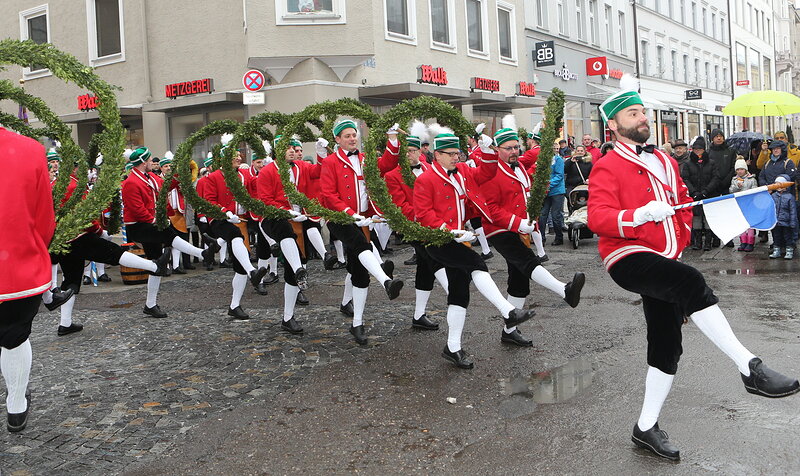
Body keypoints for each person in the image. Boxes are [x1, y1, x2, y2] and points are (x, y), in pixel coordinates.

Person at [589, 76, 799, 461]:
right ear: (614, 125)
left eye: (642, 111)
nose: (641, 118)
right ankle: (750, 368)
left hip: (665, 255)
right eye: (632, 113)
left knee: (667, 344)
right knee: (691, 282)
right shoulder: (607, 165)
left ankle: (645, 427)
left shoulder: (666, 160)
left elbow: (683, 201)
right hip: (627, 255)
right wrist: (636, 215)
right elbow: (597, 217)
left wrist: (688, 226)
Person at [413, 123, 535, 369]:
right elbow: (423, 214)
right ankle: (508, 310)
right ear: (437, 155)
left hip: (459, 238)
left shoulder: (463, 172)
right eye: (451, 154)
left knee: (459, 294)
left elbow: (487, 173)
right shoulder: (425, 179)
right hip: (437, 239)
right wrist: (451, 231)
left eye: (458, 153)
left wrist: (487, 150)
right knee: (477, 264)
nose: (456, 157)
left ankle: (452, 347)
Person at [480, 115, 586, 347]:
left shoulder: (521, 169)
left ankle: (510, 330)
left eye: (516, 147)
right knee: (528, 261)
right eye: (508, 148)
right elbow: (492, 209)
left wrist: (532, 220)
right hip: (499, 230)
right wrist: (517, 223)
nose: (514, 151)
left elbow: (527, 195)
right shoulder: (489, 172)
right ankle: (564, 290)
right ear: (497, 149)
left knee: (519, 281)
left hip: (521, 228)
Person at [319, 118, 405, 345]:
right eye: (347, 136)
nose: (352, 138)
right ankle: (386, 281)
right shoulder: (330, 162)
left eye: (354, 134)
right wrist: (348, 212)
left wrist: (393, 139)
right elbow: (328, 194)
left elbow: (388, 163)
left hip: (364, 219)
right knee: (361, 246)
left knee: (359, 273)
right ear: (337, 140)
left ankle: (357, 323)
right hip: (339, 217)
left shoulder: (366, 159)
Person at [122, 146, 220, 318]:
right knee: (168, 233)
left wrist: (182, 170)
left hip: (149, 223)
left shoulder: (151, 177)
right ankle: (203, 253)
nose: (153, 162)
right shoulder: (131, 182)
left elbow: (169, 185)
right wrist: (156, 219)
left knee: (157, 264)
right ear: (144, 162)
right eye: (150, 160)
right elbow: (136, 209)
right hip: (138, 226)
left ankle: (150, 304)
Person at [0, 127, 55, 432]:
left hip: (15, 264)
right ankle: (16, 406)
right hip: (17, 268)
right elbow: (44, 217)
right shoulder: (30, 149)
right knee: (14, 336)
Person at [383, 120, 448, 331]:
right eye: (406, 151)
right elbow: (400, 205)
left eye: (413, 150)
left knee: (425, 269)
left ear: (420, 151)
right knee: (434, 259)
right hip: (413, 228)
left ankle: (419, 315)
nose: (410, 154)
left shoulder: (430, 169)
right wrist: (425, 218)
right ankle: (454, 292)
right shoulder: (393, 176)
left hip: (434, 225)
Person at [200, 135, 269, 320]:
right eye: (235, 155)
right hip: (220, 220)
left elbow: (257, 185)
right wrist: (225, 212)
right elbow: (209, 201)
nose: (239, 158)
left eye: (239, 155)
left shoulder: (245, 174)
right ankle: (252, 272)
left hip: (242, 219)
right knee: (235, 236)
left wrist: (267, 168)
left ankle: (235, 305)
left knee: (238, 264)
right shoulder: (213, 177)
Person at [680, 137, 719, 251]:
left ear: (704, 150)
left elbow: (715, 178)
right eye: (695, 149)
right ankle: (697, 242)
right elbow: (685, 179)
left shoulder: (711, 163)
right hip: (695, 195)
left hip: (709, 195)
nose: (697, 151)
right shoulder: (688, 163)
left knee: (707, 219)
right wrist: (694, 192)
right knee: (696, 219)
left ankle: (708, 242)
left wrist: (706, 191)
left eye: (700, 149)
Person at [707, 129, 738, 247]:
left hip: (727, 185)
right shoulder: (708, 152)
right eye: (716, 136)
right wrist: (715, 182)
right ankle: (715, 239)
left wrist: (726, 180)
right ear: (712, 139)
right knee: (715, 213)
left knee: (727, 213)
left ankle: (728, 238)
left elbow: (732, 167)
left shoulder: (730, 151)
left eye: (721, 136)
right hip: (713, 186)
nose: (719, 138)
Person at [538, 142, 566, 246]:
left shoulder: (558, 160)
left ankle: (559, 237)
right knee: (542, 214)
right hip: (546, 191)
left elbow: (559, 175)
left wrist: (548, 185)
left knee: (555, 215)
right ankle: (541, 238)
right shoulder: (542, 160)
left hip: (557, 191)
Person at [729, 157, 758, 252]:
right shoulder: (734, 180)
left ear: (745, 169)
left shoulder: (751, 179)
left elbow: (755, 191)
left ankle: (750, 242)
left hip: (749, 204)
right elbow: (731, 190)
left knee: (749, 225)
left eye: (741, 169)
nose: (740, 171)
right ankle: (743, 242)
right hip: (739, 204)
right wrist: (737, 187)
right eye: (737, 170)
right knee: (741, 224)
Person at [769, 175, 797, 260]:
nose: (779, 187)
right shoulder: (773, 196)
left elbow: (793, 211)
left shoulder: (790, 197)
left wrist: (793, 222)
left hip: (786, 222)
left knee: (788, 237)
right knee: (776, 236)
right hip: (776, 222)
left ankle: (789, 250)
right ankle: (776, 250)